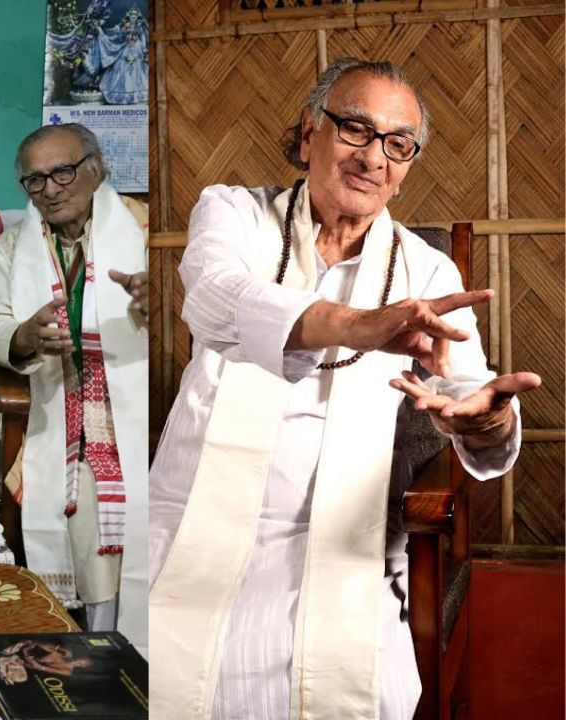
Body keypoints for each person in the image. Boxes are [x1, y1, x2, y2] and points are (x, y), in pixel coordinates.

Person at [147, 59, 541, 719]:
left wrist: (483, 420)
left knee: (357, 689)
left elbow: (469, 389)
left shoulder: (427, 270)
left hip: (342, 541)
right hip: (195, 526)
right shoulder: (235, 213)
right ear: (309, 135)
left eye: (398, 144)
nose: (373, 158)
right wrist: (359, 325)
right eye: (356, 129)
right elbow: (216, 297)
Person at [0, 124, 147, 644]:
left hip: (146, 407)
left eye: (63, 173)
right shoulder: (13, 247)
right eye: (35, 180)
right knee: (86, 502)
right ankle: (98, 643)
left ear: (97, 169)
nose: (50, 189)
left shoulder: (146, 230)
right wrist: (24, 336)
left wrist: (161, 304)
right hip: (62, 410)